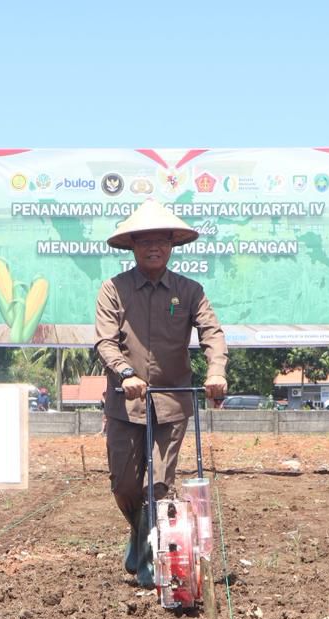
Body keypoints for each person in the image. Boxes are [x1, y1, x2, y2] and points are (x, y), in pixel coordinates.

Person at [94, 199, 227, 588]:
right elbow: (105, 341)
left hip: (172, 402)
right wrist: (124, 372)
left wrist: (216, 370)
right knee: (124, 485)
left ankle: (150, 555)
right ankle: (137, 535)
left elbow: (212, 334)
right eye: (145, 241)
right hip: (125, 403)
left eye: (162, 241)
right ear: (133, 246)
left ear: (172, 246)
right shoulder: (114, 289)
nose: (154, 248)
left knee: (157, 484)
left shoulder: (189, 291)